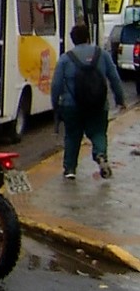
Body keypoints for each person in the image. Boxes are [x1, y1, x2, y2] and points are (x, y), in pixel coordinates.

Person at [51, 23, 125, 180]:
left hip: (71, 105)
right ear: (88, 37)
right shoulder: (102, 54)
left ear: (73, 40)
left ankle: (70, 169)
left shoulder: (65, 58)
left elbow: (56, 84)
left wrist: (56, 105)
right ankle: (100, 155)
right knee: (98, 132)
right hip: (98, 104)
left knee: (72, 136)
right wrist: (120, 99)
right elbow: (114, 79)